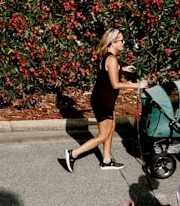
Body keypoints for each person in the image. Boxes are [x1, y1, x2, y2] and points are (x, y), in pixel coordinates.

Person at [63, 28, 147, 172]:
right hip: (104, 100)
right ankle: (73, 154)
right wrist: (137, 85)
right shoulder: (112, 59)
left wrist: (123, 69)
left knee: (111, 127)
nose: (123, 43)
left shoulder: (107, 56)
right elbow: (115, 84)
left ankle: (107, 160)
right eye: (121, 40)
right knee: (103, 136)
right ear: (113, 42)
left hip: (102, 98)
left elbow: (108, 73)